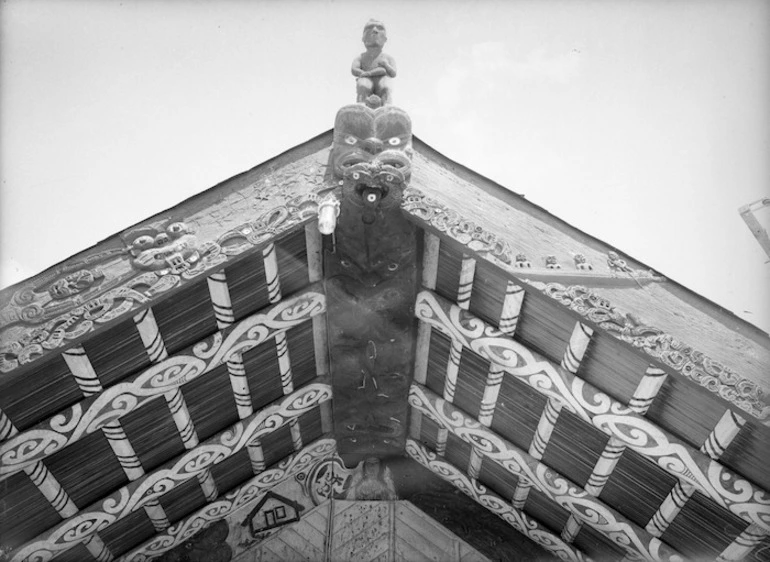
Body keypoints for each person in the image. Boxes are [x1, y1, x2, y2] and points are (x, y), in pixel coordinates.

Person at [351, 20, 396, 106]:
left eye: (379, 28)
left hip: (381, 80)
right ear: (363, 38)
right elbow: (354, 69)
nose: (375, 31)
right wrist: (363, 73)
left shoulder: (388, 58)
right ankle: (361, 104)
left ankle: (387, 104)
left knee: (386, 84)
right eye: (369, 28)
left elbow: (393, 73)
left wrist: (386, 65)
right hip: (366, 79)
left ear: (385, 39)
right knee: (363, 84)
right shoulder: (361, 57)